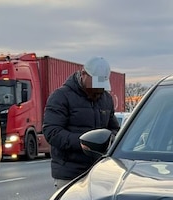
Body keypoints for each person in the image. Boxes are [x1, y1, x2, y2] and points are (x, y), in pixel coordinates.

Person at [42, 57, 121, 187]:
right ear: (83, 74)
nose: (98, 89)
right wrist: (82, 142)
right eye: (95, 84)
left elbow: (114, 129)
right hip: (70, 173)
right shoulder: (61, 97)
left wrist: (110, 140)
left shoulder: (106, 99)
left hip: (100, 170)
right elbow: (52, 132)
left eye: (101, 85)